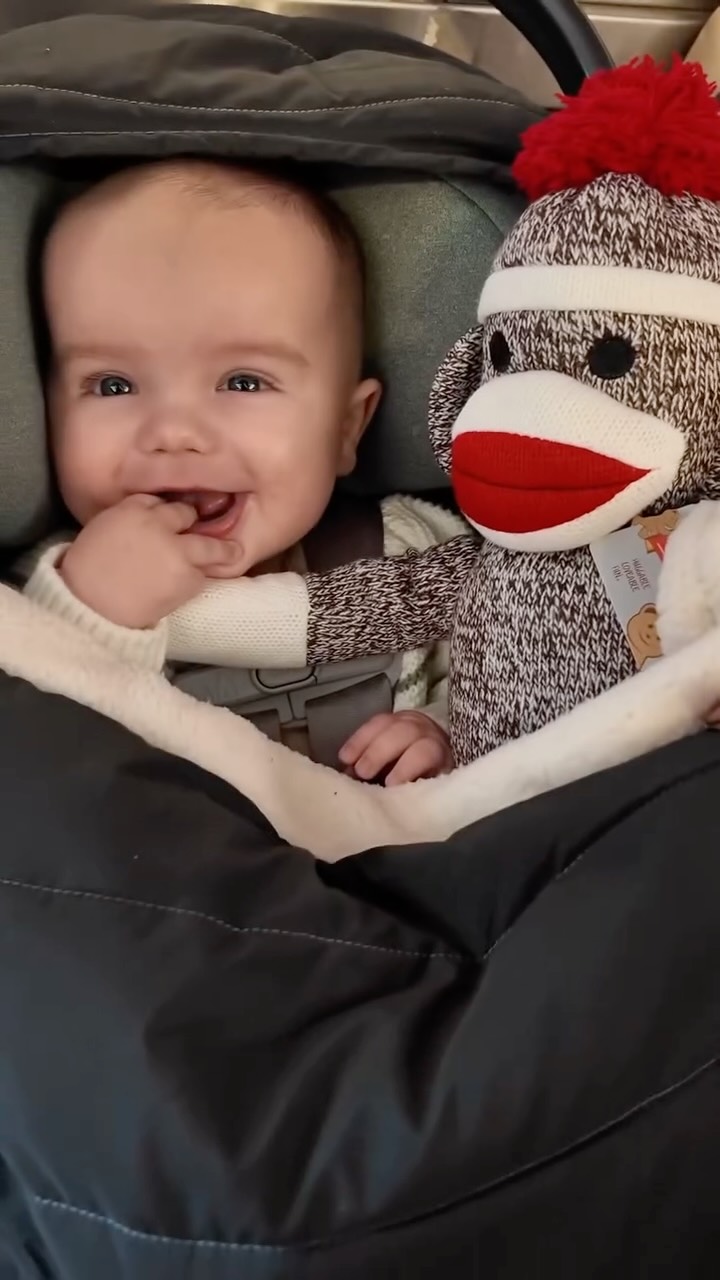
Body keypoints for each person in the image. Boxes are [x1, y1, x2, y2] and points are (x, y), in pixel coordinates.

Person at [21, 159, 468, 784]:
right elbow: (37, 771)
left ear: (346, 428)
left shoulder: (417, 553)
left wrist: (448, 731)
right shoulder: (47, 594)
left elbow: (534, 684)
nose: (174, 433)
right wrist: (91, 615)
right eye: (113, 385)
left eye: (243, 382)